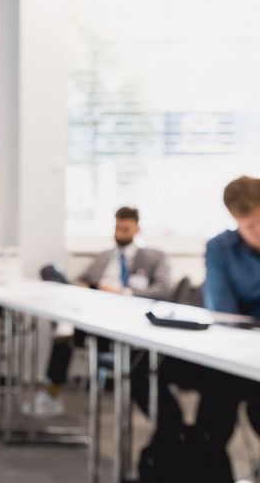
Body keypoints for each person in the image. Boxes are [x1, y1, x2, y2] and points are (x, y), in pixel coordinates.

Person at [24, 206, 173, 417]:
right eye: (117, 228)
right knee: (50, 272)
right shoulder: (105, 256)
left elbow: (164, 290)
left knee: (66, 332)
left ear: (137, 229)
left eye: (125, 229)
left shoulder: (154, 257)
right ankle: (52, 390)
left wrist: (123, 292)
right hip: (92, 313)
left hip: (123, 322)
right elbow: (80, 281)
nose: (120, 233)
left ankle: (65, 326)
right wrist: (86, 286)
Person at [203, 175, 260, 436]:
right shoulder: (220, 248)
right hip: (240, 350)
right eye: (250, 226)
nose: (259, 230)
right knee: (216, 397)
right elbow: (223, 311)